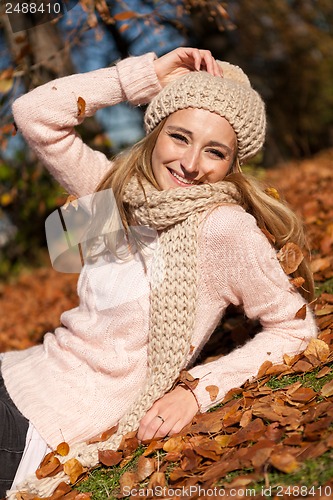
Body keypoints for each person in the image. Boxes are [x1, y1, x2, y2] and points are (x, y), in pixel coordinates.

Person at [1, 47, 317, 498]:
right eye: (180, 137)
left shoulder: (223, 228)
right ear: (156, 134)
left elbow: (293, 327)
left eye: (214, 151)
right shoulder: (112, 193)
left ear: (232, 164)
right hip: (19, 371)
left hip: (39, 429)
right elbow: (34, 113)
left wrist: (197, 391)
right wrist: (145, 76)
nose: (190, 164)